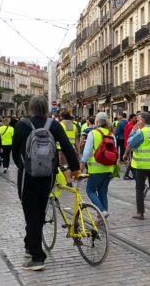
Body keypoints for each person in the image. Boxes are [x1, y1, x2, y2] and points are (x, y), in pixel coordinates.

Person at [12, 95, 81, 271]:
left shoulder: (22, 125)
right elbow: (67, 147)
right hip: (47, 176)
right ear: (46, 109)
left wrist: (23, 166)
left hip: (27, 177)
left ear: (31, 109)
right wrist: (75, 170)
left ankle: (37, 257)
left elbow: (14, 153)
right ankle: (30, 248)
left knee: (31, 215)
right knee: (39, 213)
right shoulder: (54, 125)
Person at [80, 112, 116, 222]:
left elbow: (86, 152)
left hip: (95, 168)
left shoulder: (93, 133)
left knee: (90, 190)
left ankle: (101, 211)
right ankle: (101, 217)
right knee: (103, 191)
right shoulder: (111, 135)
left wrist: (82, 165)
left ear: (96, 121)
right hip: (108, 168)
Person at [58, 110, 79, 187]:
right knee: (69, 165)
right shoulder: (74, 126)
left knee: (63, 165)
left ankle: (69, 181)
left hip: (61, 148)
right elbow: (76, 140)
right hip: (72, 148)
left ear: (63, 117)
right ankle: (67, 178)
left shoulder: (60, 125)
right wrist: (78, 150)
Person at [123, 114, 137, 180]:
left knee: (131, 160)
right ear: (130, 118)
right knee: (131, 161)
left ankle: (132, 174)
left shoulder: (127, 125)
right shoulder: (131, 126)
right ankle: (127, 174)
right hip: (130, 144)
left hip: (127, 143)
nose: (135, 119)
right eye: (134, 118)